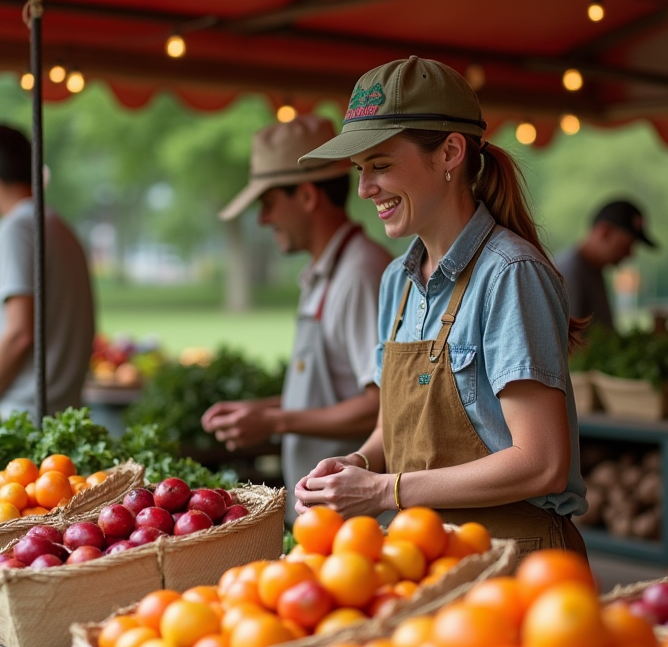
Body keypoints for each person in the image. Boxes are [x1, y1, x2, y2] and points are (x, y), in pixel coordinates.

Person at [293, 56, 589, 557]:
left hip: (517, 563)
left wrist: (385, 491)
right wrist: (359, 466)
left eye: (381, 166)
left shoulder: (510, 275)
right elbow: (395, 429)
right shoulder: (397, 283)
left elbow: (541, 462)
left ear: (450, 152)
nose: (365, 190)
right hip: (423, 557)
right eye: (361, 170)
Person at [202, 115, 392, 523]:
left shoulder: (360, 275)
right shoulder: (329, 271)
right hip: (327, 519)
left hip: (355, 522)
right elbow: (336, 391)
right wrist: (261, 410)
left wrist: (274, 419)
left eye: (268, 204)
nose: (263, 219)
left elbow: (382, 404)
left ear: (307, 196)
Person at [0, 125, 95, 416]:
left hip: (24, 415)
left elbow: (19, 333)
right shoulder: (59, 226)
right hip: (64, 412)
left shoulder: (16, 228)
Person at [555, 200, 657, 329]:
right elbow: (570, 342)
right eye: (626, 245)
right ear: (604, 231)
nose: (630, 254)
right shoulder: (569, 273)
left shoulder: (593, 269)